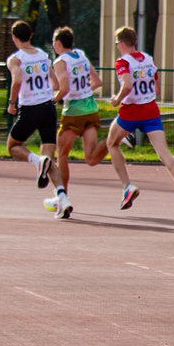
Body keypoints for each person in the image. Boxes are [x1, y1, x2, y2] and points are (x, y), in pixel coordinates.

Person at [103, 26, 174, 214]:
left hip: (131, 111)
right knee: (164, 153)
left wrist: (116, 100)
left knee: (111, 143)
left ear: (121, 43)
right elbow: (157, 89)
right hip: (151, 110)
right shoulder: (147, 59)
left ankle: (127, 186)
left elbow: (128, 85)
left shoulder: (122, 62)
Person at [48, 27, 106, 219]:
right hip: (91, 108)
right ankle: (118, 139)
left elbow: (63, 88)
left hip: (73, 111)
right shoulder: (80, 54)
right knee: (90, 158)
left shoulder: (60, 61)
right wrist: (83, 92)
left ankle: (63, 198)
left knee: (61, 155)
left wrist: (52, 101)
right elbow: (97, 82)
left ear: (58, 43)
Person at [2, 21, 61, 204]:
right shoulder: (43, 56)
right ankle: (63, 198)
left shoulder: (16, 59)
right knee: (50, 158)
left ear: (14, 37)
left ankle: (36, 160)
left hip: (30, 108)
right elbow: (56, 84)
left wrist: (12, 103)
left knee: (12, 146)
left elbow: (17, 79)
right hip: (48, 107)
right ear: (31, 36)